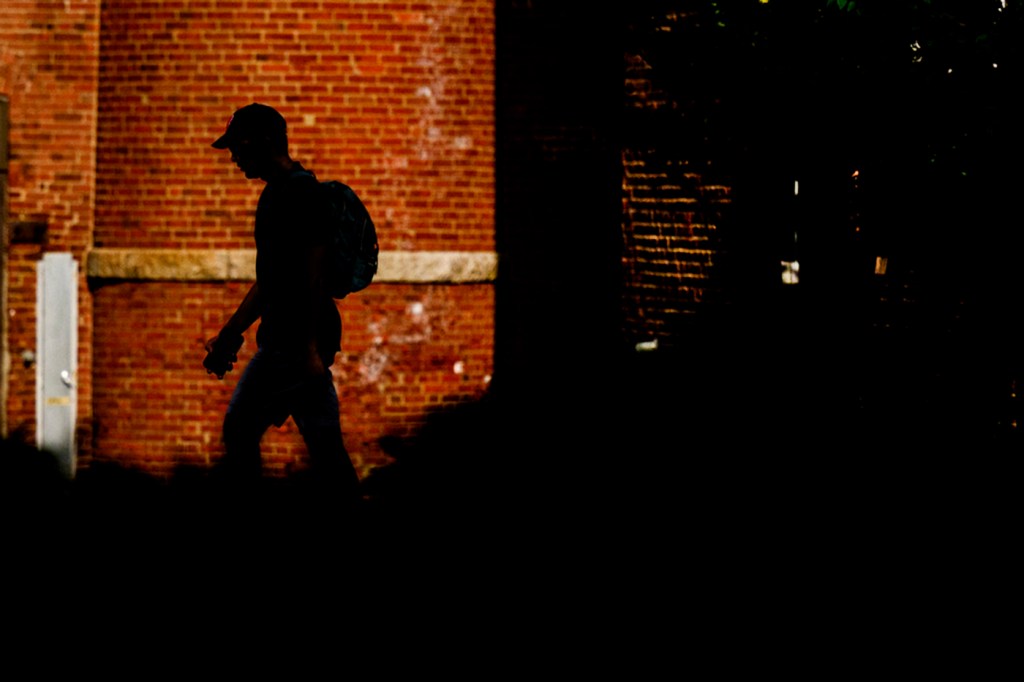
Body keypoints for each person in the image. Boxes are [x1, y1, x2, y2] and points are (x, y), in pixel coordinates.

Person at [203, 102, 359, 508]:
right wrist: (230, 333)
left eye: (239, 146)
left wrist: (307, 349)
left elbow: (312, 272)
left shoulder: (298, 194)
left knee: (241, 428)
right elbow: (271, 281)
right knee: (322, 441)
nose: (234, 156)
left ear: (264, 142)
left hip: (294, 344)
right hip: (289, 341)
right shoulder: (279, 193)